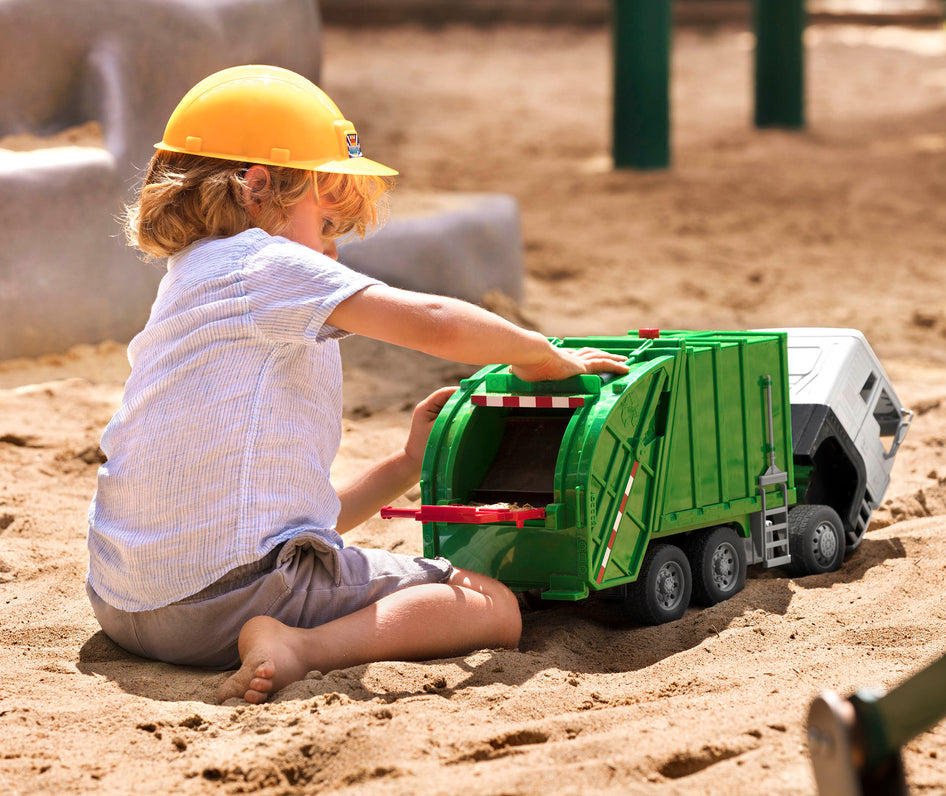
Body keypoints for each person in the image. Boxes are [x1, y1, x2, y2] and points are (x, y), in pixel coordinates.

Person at [85, 65, 628, 705]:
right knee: (492, 605)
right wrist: (540, 356)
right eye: (325, 224)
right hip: (227, 606)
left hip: (125, 605)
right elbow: (434, 323)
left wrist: (404, 464)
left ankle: (285, 631)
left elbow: (273, 523)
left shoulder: (187, 283)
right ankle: (299, 648)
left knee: (305, 569)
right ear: (258, 188)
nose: (332, 256)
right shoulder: (265, 264)